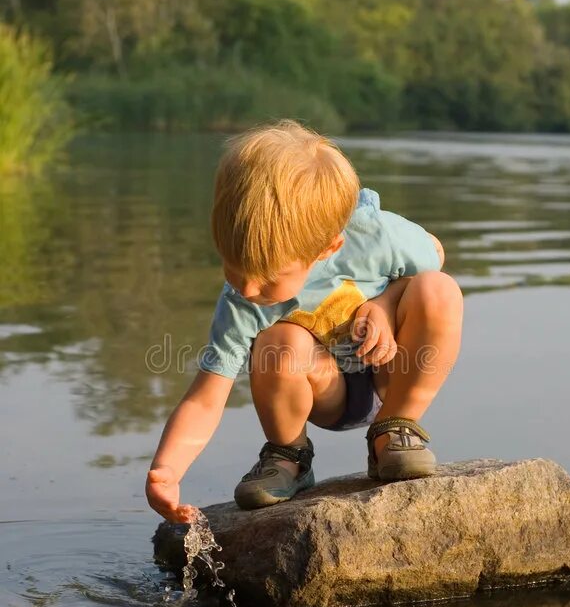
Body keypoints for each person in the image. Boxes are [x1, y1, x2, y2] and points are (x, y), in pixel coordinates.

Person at [146, 121, 463, 520]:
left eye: (267, 278)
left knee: (439, 291)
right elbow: (206, 396)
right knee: (279, 340)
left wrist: (385, 302)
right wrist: (167, 470)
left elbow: (434, 254)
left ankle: (395, 428)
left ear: (329, 247)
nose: (246, 288)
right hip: (324, 391)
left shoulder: (374, 235)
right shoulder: (242, 300)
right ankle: (289, 454)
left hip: (392, 373)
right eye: (231, 266)